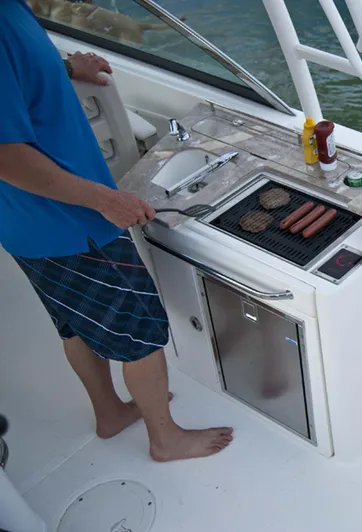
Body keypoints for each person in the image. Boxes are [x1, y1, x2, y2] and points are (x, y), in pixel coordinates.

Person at [0, 0, 233, 461]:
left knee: (74, 325)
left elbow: (17, 78)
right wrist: (106, 200)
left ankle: (109, 413)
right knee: (138, 333)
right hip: (72, 222)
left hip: (26, 225)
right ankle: (166, 439)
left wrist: (66, 67)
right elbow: (7, 156)